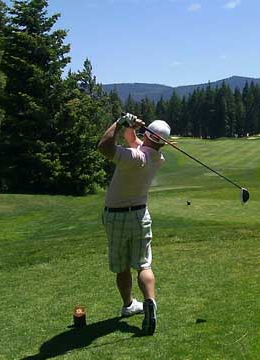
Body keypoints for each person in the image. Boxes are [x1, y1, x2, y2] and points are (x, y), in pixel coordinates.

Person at [97, 113, 171, 336]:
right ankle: (149, 301)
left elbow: (104, 147)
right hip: (140, 215)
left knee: (121, 265)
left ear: (149, 136)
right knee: (143, 264)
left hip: (117, 216)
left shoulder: (133, 157)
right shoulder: (157, 157)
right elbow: (133, 140)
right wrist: (133, 127)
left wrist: (119, 123)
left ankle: (129, 304)